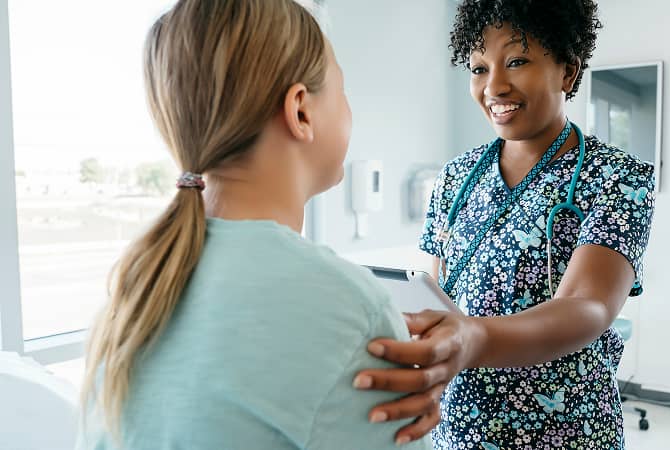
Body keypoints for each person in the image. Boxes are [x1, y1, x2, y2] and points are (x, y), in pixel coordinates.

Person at [76, 1, 432, 449]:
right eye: (343, 90)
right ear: (301, 111)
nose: (348, 107)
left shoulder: (135, 289)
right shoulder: (351, 308)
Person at [354, 1, 656, 448]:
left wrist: (473, 338)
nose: (493, 86)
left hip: (564, 430)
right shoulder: (455, 178)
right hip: (460, 426)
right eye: (478, 68)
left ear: (567, 73)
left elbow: (587, 306)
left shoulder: (616, 177)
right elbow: (438, 297)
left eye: (516, 61)